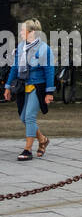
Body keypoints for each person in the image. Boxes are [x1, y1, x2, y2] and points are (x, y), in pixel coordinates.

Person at [3, 20, 54, 161]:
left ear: (32, 32)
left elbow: (49, 71)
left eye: (23, 30)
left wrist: (49, 92)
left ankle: (27, 150)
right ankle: (43, 139)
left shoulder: (44, 49)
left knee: (30, 117)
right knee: (23, 117)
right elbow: (14, 68)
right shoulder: (20, 47)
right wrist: (7, 86)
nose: (20, 33)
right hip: (22, 87)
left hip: (38, 87)